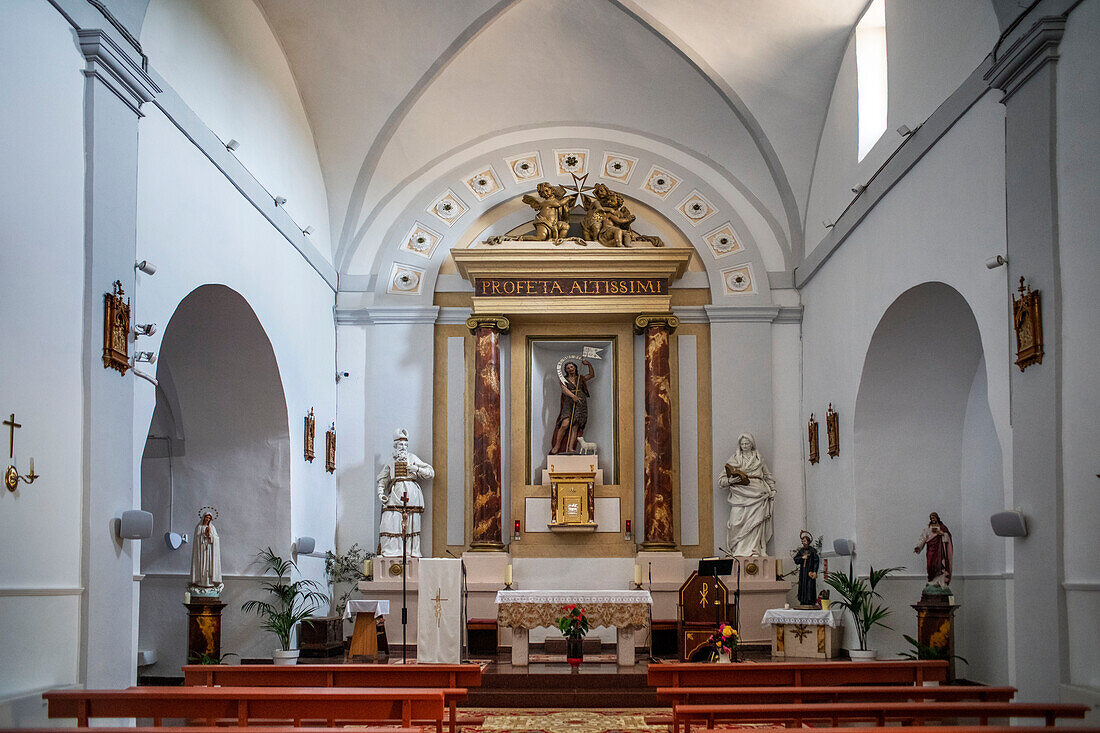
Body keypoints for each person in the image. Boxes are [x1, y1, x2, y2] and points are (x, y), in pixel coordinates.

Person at [377, 428, 434, 557]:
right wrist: (381, 493)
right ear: (395, 445)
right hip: (395, 492)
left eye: (405, 445)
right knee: (389, 520)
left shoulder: (412, 457)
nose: (403, 447)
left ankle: (411, 551)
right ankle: (391, 551)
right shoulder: (391, 460)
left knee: (411, 521)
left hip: (412, 493)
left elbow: (430, 472)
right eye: (400, 445)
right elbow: (383, 478)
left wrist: (416, 468)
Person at [720, 433, 776, 556]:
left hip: (758, 493)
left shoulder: (759, 459)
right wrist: (731, 481)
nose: (745, 446)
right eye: (742, 444)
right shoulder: (734, 459)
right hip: (739, 494)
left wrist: (772, 489)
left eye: (747, 443)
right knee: (735, 522)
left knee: (755, 524)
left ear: (752, 444)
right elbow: (722, 480)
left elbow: (767, 475)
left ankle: (754, 550)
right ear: (739, 445)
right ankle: (737, 549)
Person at [549, 359, 595, 454]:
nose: (570, 369)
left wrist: (589, 364)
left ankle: (570, 448)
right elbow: (564, 389)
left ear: (575, 368)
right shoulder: (564, 379)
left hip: (580, 403)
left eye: (572, 367)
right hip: (568, 403)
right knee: (565, 424)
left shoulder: (580, 378)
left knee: (575, 427)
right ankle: (557, 446)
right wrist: (573, 396)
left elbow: (591, 375)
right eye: (568, 368)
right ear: (566, 370)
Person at [914, 511, 953, 587]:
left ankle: (939, 581)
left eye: (934, 517)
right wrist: (918, 547)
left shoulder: (942, 527)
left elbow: (948, 537)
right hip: (931, 550)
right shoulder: (927, 528)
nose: (933, 519)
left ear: (937, 518)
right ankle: (932, 580)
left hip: (940, 550)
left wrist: (941, 533)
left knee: (940, 565)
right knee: (930, 565)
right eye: (931, 518)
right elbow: (923, 538)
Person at [189, 510, 222, 595]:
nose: (207, 519)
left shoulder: (212, 528)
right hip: (201, 550)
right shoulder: (199, 527)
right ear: (203, 518)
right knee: (201, 565)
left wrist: (210, 535)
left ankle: (210, 582)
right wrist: (204, 535)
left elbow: (216, 539)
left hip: (210, 551)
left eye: (209, 518)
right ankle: (200, 582)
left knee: (209, 565)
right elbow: (197, 540)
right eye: (206, 517)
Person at [792, 531, 820, 607]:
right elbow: (795, 559)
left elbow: (816, 561)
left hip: (810, 572)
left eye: (804, 541)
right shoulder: (801, 551)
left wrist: (815, 571)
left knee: (810, 586)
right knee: (803, 586)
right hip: (803, 572)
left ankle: (810, 601)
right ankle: (803, 600)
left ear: (808, 541)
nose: (803, 543)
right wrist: (802, 557)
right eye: (802, 541)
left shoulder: (812, 551)